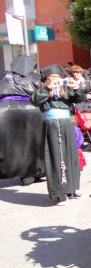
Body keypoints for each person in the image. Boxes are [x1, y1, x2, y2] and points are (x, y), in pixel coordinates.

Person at [31, 65, 83, 205]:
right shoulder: (42, 89)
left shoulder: (65, 88)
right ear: (46, 78)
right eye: (52, 77)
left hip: (67, 123)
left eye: (57, 77)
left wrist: (76, 87)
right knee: (57, 156)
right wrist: (48, 88)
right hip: (53, 124)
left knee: (71, 155)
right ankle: (60, 193)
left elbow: (79, 99)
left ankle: (73, 188)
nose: (55, 79)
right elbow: (35, 100)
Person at [0, 55, 45, 184]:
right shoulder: (35, 78)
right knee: (33, 143)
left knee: (12, 144)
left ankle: (13, 170)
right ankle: (31, 173)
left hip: (6, 111)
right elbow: (41, 94)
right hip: (32, 111)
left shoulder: (5, 77)